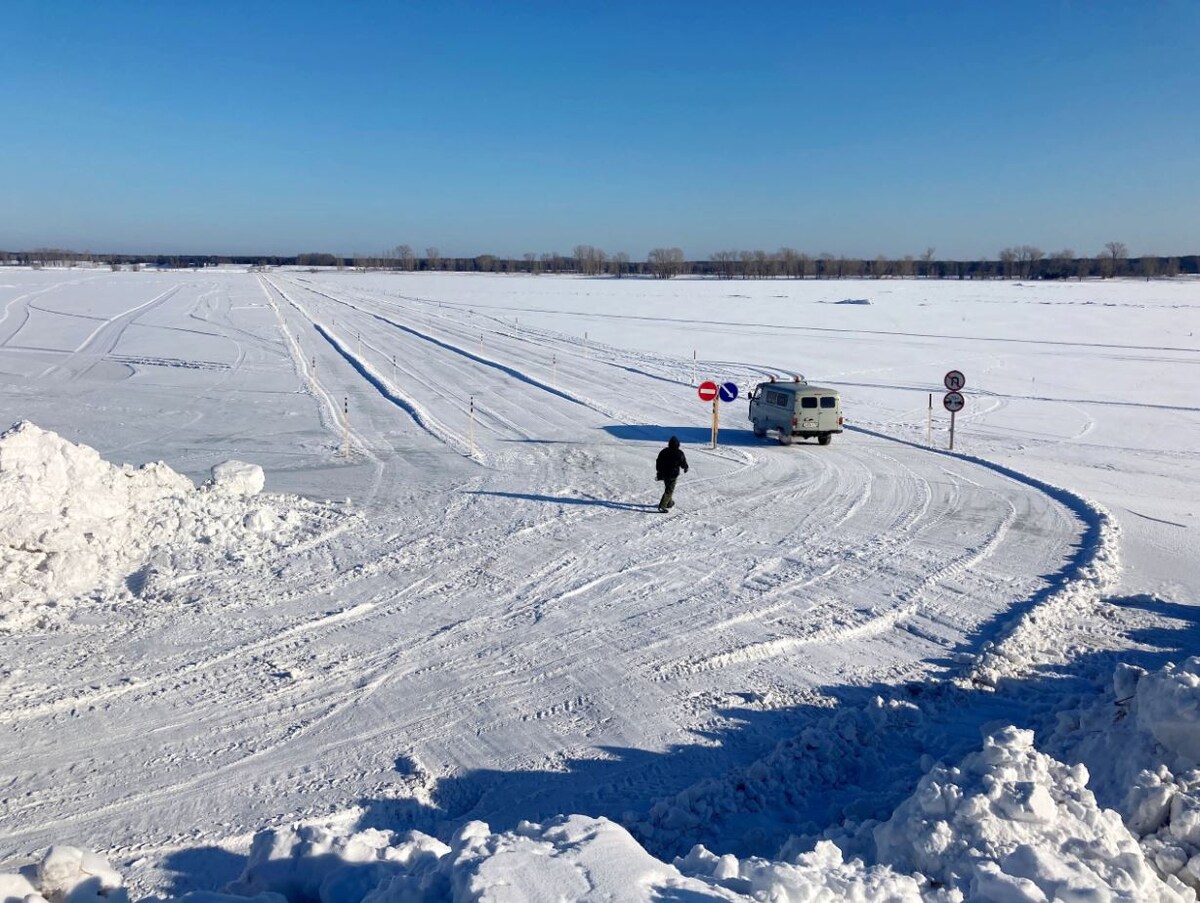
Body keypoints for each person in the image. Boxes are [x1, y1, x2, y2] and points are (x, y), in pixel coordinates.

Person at [655, 436, 689, 512]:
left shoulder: (664, 451)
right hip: (673, 474)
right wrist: (685, 467)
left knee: (668, 488)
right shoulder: (679, 453)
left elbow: (658, 461)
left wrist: (659, 471)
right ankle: (663, 505)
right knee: (669, 490)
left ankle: (669, 503)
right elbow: (683, 462)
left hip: (664, 473)